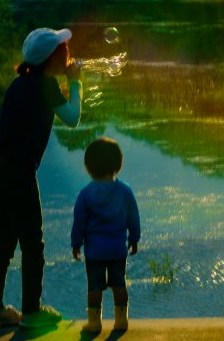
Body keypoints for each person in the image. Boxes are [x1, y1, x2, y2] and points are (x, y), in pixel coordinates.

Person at [0, 26, 83, 330]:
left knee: (4, 239)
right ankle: (32, 312)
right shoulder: (46, 84)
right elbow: (73, 118)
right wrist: (75, 84)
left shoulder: (20, 82)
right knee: (32, 243)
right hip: (16, 171)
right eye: (64, 50)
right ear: (53, 58)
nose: (68, 54)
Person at [71, 136, 141, 334]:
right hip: (117, 250)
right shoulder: (125, 191)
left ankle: (94, 323)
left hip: (94, 252)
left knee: (94, 287)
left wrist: (76, 244)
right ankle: (121, 321)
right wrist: (134, 239)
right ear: (117, 165)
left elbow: (80, 222)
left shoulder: (86, 194)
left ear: (89, 166)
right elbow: (133, 218)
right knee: (119, 284)